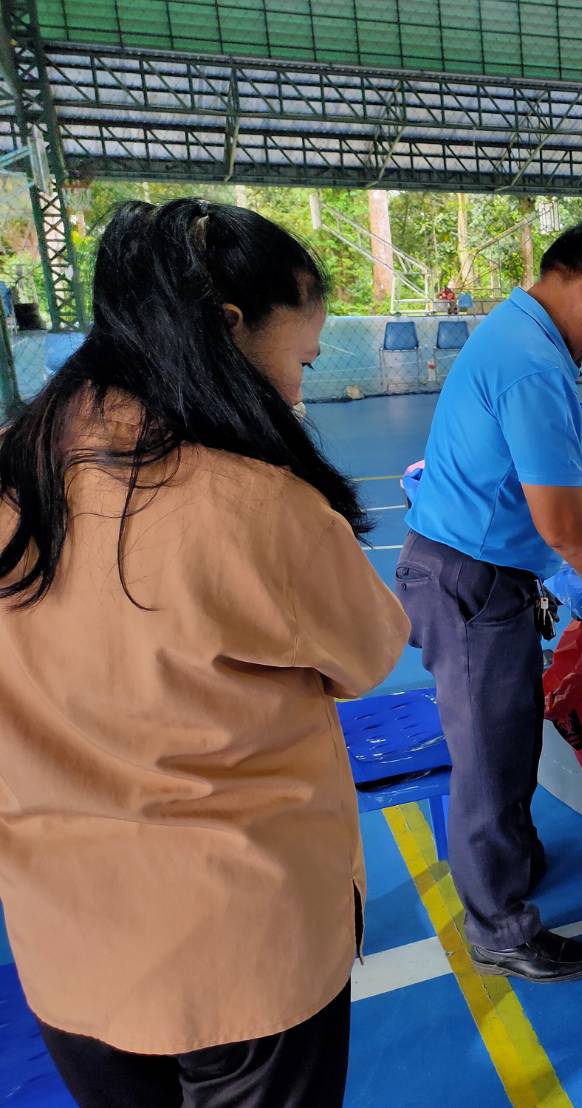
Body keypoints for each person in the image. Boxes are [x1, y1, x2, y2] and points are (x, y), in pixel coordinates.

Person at [0, 199, 410, 1106]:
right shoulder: (254, 506)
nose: (298, 388)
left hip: (69, 945)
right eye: (298, 358)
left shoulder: (14, 468)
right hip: (239, 951)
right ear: (228, 327)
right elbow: (371, 655)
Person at [400, 219, 582, 984]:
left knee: (508, 743)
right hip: (470, 581)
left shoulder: (512, 331)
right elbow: (563, 525)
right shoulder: (534, 363)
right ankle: (499, 925)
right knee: (491, 762)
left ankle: (509, 864)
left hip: (472, 573)